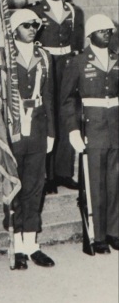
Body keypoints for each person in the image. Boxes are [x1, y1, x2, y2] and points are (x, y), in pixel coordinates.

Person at [60, 14, 119, 254]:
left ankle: (115, 231)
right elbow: (67, 100)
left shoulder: (117, 59)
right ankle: (98, 236)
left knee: (115, 182)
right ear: (91, 34)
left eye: (110, 31)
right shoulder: (78, 62)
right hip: (92, 128)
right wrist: (73, 129)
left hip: (115, 127)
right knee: (96, 183)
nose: (107, 34)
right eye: (102, 30)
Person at [8, 9, 55, 270]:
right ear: (14, 28)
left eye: (35, 25)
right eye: (26, 25)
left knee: (35, 186)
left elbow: (49, 96)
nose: (32, 29)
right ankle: (16, 244)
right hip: (13, 129)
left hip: (37, 127)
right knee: (14, 186)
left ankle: (31, 243)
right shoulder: (2, 56)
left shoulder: (44, 57)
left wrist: (51, 132)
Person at [30, 0, 84, 194]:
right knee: (47, 115)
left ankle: (63, 173)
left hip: (67, 65)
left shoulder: (73, 11)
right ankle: (47, 176)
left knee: (67, 116)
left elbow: (77, 42)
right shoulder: (35, 11)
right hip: (46, 64)